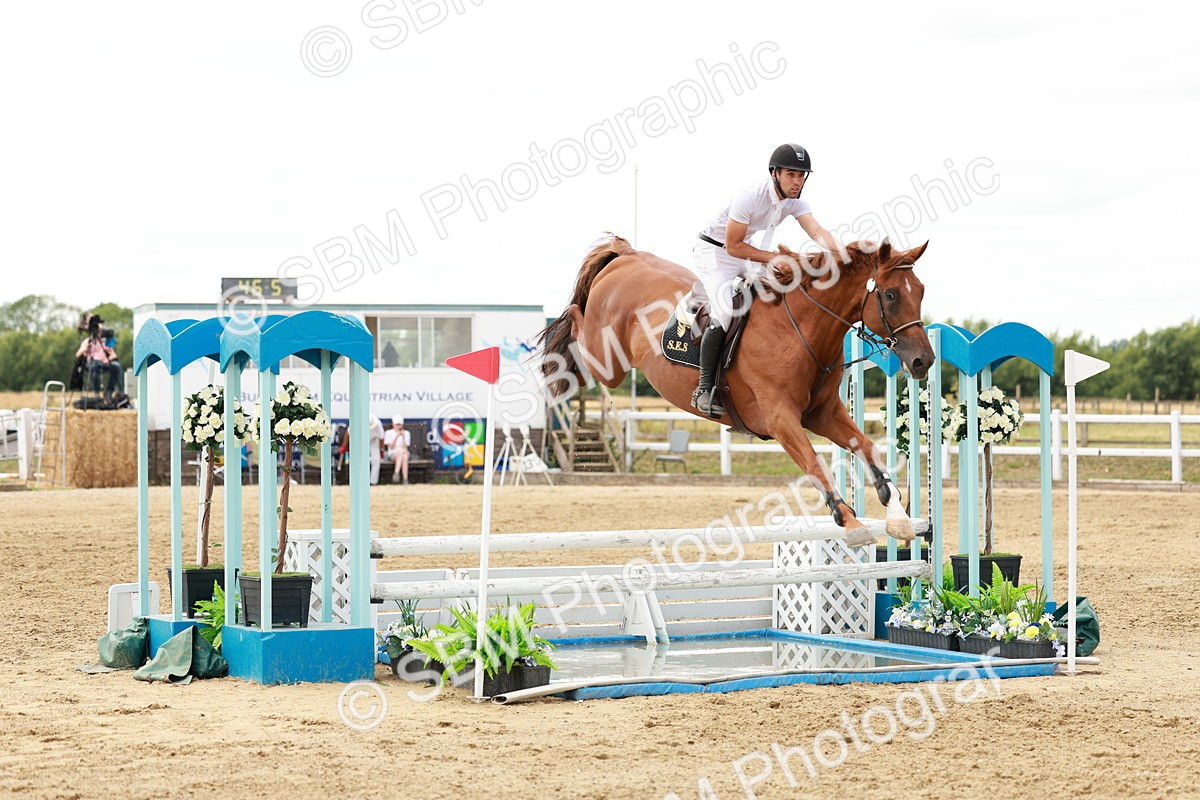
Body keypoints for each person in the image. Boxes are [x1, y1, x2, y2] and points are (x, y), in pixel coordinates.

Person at [691, 143, 843, 417]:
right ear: (775, 173)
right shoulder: (749, 196)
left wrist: (844, 254)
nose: (796, 182)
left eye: (801, 176)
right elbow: (733, 247)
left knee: (785, 289)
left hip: (744, 250)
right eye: (791, 174)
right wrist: (773, 258)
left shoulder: (796, 202)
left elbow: (817, 231)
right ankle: (704, 388)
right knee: (725, 312)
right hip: (716, 251)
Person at [75, 324, 121, 400]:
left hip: (104, 363)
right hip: (91, 364)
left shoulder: (105, 342)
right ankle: (96, 392)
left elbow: (114, 355)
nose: (100, 332)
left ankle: (109, 392)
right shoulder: (88, 341)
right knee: (95, 364)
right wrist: (86, 347)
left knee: (116, 366)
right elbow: (78, 354)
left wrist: (107, 359)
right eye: (98, 330)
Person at [384, 418, 411, 484]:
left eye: (399, 424)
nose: (398, 426)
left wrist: (403, 437)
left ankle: (396, 473)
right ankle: (405, 479)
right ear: (393, 424)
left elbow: (405, 447)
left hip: (403, 452)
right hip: (393, 453)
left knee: (403, 454)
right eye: (397, 424)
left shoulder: (406, 433)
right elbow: (391, 447)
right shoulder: (388, 433)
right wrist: (397, 436)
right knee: (403, 456)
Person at [368, 413, 385, 484]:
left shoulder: (378, 424)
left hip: (374, 441)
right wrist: (344, 446)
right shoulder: (358, 421)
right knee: (361, 460)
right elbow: (348, 433)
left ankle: (373, 482)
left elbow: (381, 438)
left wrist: (381, 450)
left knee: (376, 460)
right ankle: (362, 480)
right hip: (360, 441)